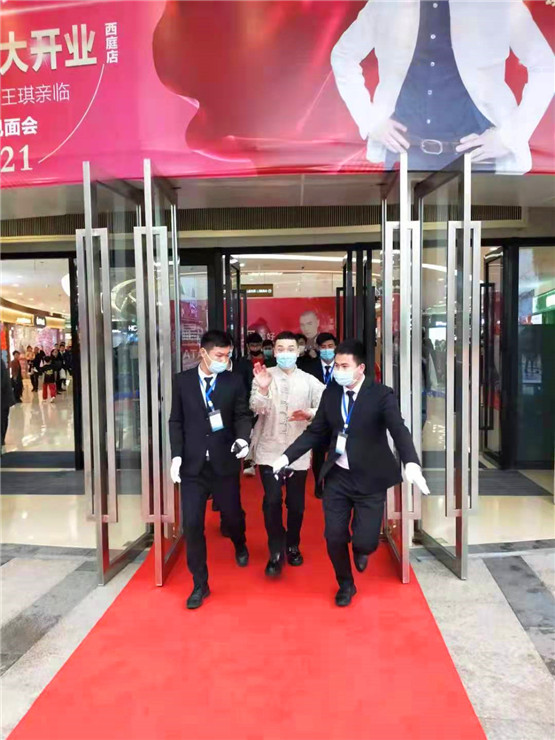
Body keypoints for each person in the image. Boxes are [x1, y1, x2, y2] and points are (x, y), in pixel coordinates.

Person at [272, 339, 430, 607]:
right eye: (336, 365)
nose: (338, 371)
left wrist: (411, 463)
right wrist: (286, 457)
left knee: (366, 541)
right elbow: (316, 432)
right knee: (333, 535)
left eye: (345, 366)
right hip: (339, 477)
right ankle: (346, 583)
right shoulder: (332, 393)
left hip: (370, 478)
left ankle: (361, 547)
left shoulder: (381, 394)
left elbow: (398, 430)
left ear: (360, 368)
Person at [330, 0, 555, 174]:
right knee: (399, 220)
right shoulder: (387, 4)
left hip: (480, 157)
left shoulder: (499, 3)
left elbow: (545, 66)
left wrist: (511, 136)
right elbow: (343, 56)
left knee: (486, 222)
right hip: (405, 155)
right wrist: (370, 121)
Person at [169, 330, 252, 610]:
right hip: (192, 465)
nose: (224, 360)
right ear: (203, 353)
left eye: (227, 355)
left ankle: (239, 542)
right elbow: (176, 421)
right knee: (192, 524)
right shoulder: (182, 381)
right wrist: (176, 456)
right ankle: (200, 583)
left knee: (232, 514)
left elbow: (242, 414)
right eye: (219, 355)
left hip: (223, 461)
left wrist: (243, 438)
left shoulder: (233, 381)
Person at [250, 331, 325, 577]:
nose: (285, 353)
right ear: (274, 351)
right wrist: (262, 389)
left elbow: (327, 406)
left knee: (296, 505)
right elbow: (256, 408)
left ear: (298, 351)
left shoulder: (309, 380)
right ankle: (275, 550)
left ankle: (292, 544)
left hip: (297, 451)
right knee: (272, 500)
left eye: (290, 349)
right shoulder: (263, 375)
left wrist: (310, 413)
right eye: (280, 349)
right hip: (269, 450)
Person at [304, 332, 338, 499]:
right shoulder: (310, 368)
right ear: (318, 348)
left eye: (330, 346)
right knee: (318, 454)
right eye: (323, 347)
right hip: (317, 417)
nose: (327, 350)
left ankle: (333, 484)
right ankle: (319, 484)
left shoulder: (342, 366)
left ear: (336, 347)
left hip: (339, 417)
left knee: (336, 452)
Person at [1, 359, 15, 451]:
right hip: (4, 398)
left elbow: (2, 383)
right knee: (3, 420)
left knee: (2, 420)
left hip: (3, 398)